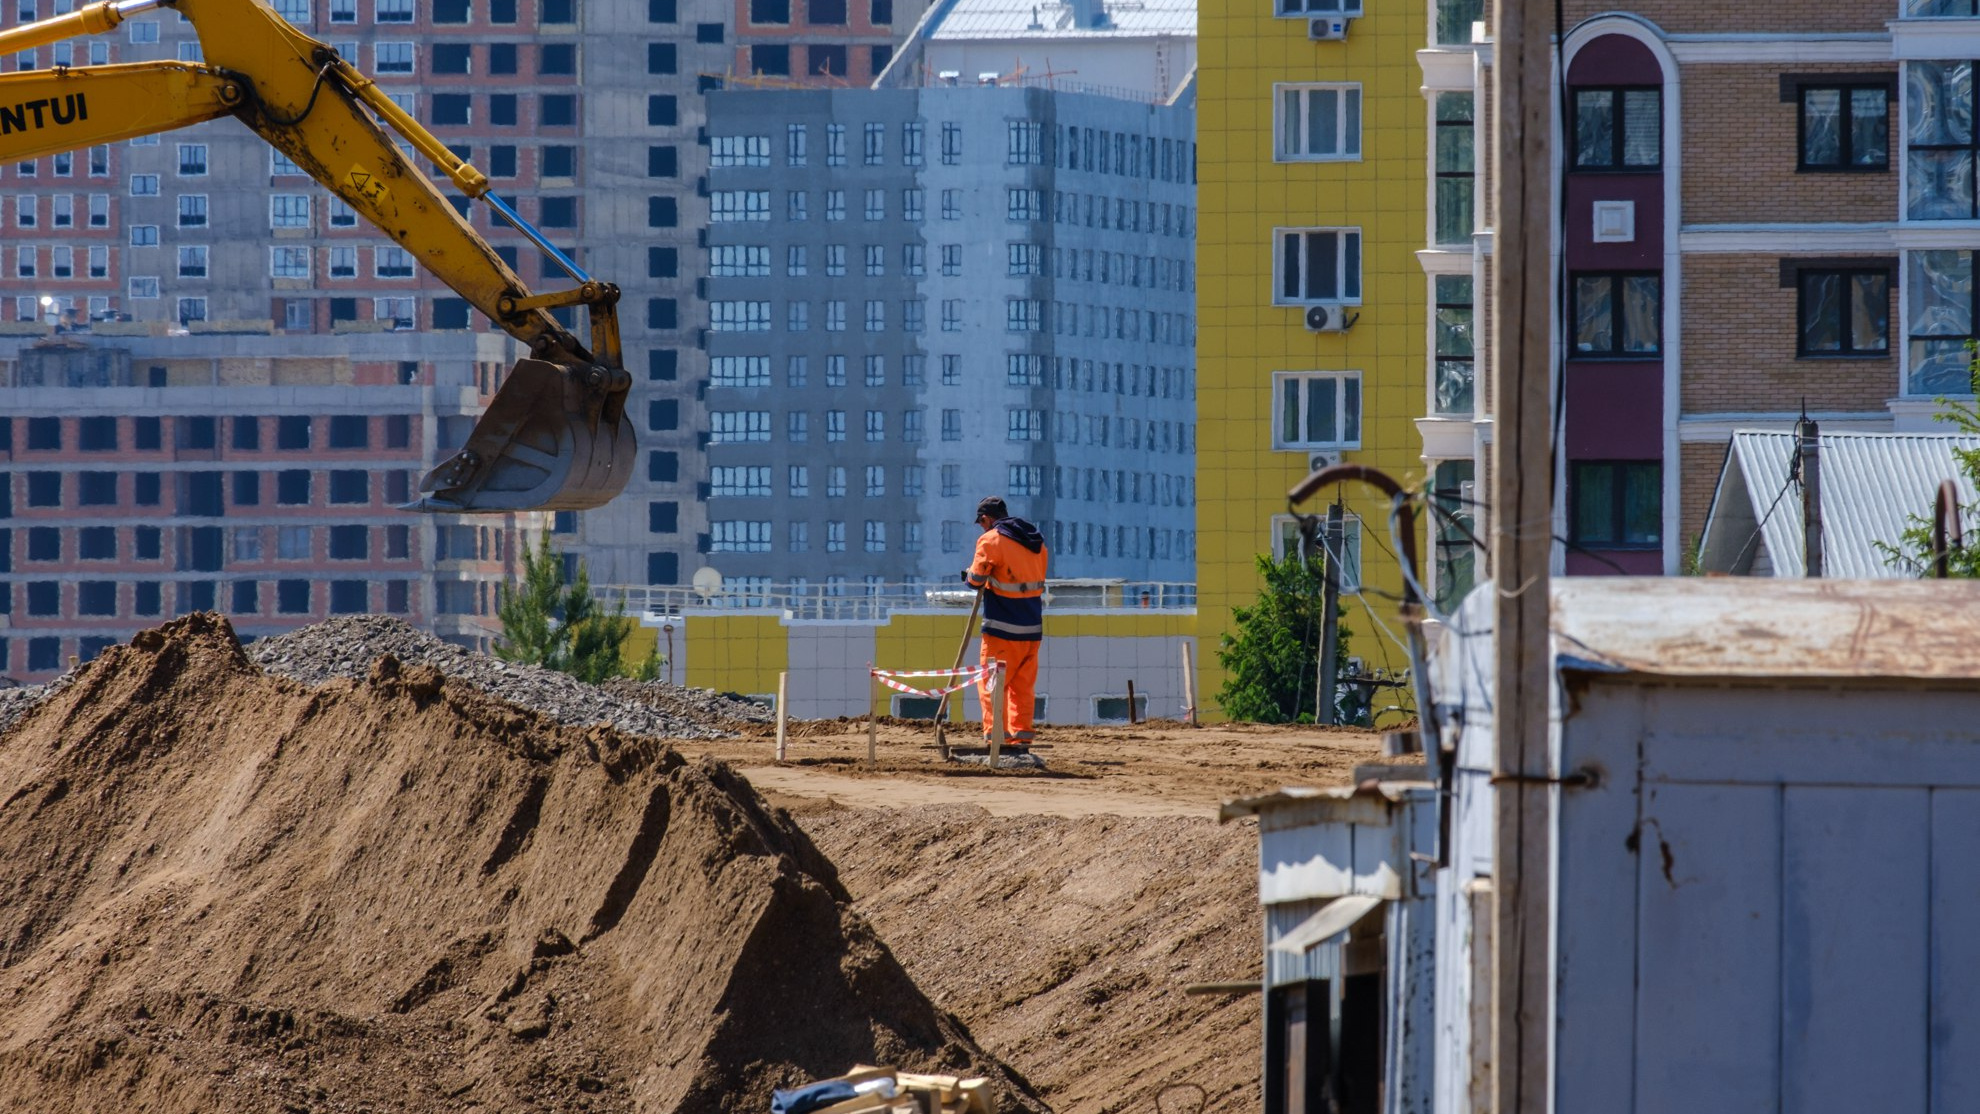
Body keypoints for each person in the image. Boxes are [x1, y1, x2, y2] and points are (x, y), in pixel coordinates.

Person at [963, 496, 1047, 750]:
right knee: (1022, 686)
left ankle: (996, 738)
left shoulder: (990, 540)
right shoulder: (1036, 541)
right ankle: (1021, 737)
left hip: (1002, 629)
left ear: (986, 519)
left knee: (991, 685)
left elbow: (976, 579)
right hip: (1032, 629)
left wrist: (969, 576)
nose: (981, 527)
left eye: (981, 522)